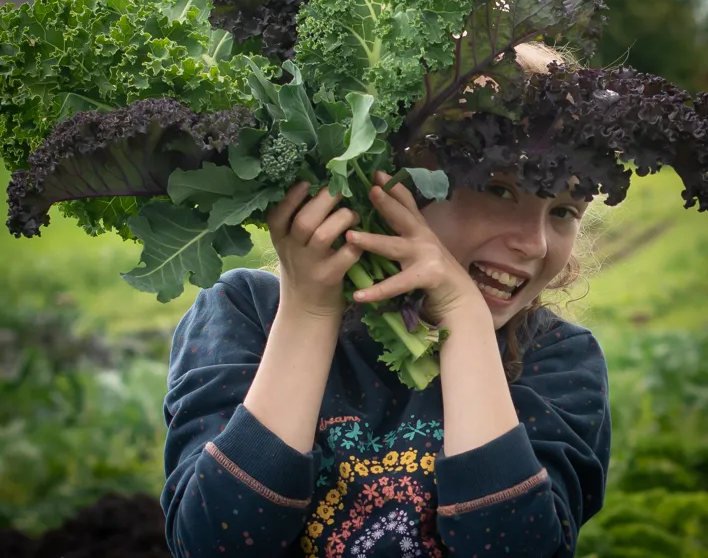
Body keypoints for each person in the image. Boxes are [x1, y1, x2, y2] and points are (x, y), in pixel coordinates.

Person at [160, 44, 611, 558]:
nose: (534, 243)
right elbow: (211, 544)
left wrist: (463, 318)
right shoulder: (246, 314)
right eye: (500, 189)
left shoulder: (558, 359)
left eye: (564, 211)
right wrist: (309, 310)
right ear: (397, 174)